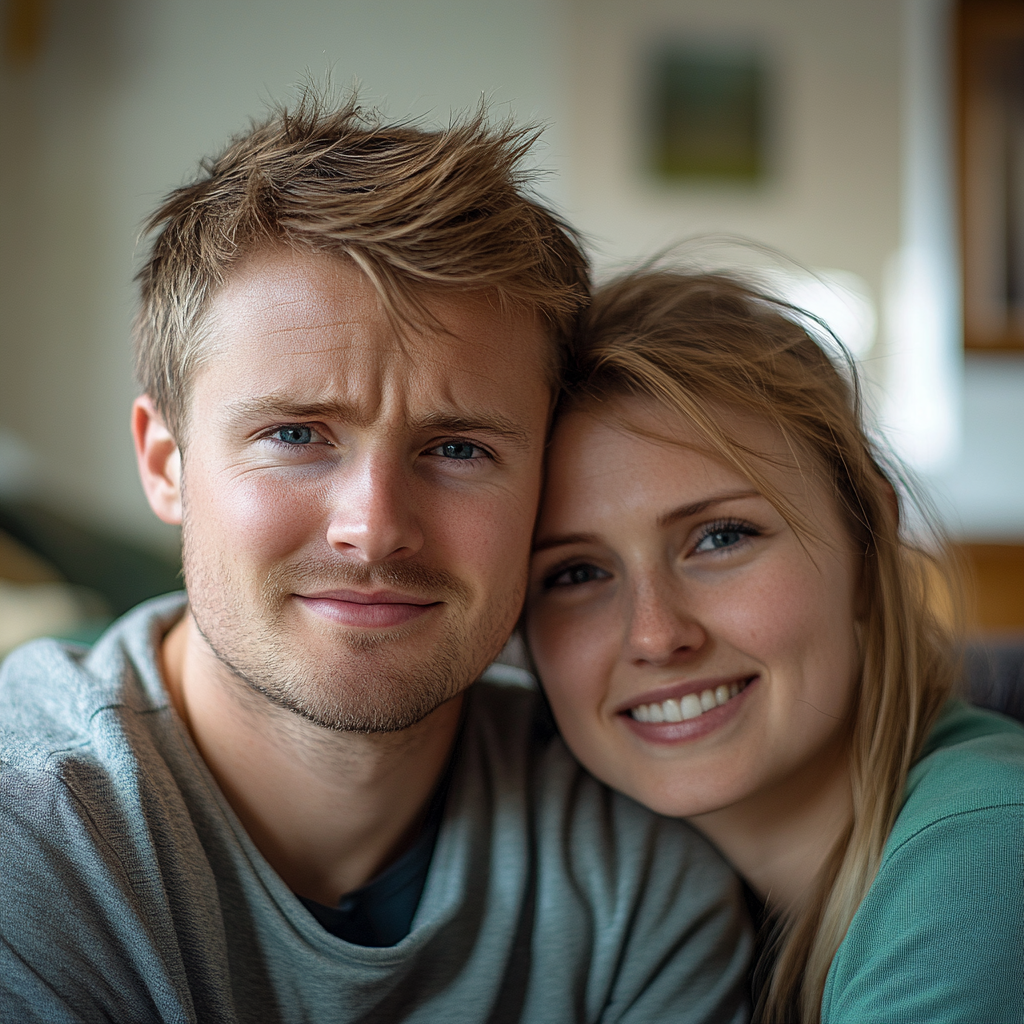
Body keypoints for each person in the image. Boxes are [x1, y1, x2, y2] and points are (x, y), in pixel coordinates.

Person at [0, 96, 752, 1023]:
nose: (375, 528)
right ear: (167, 463)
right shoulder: (28, 840)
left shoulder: (633, 860)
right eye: (297, 433)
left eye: (460, 449)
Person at [526, 269, 1024, 1024]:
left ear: (865, 542)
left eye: (721, 537)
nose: (657, 635)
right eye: (576, 573)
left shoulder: (986, 858)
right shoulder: (669, 918)